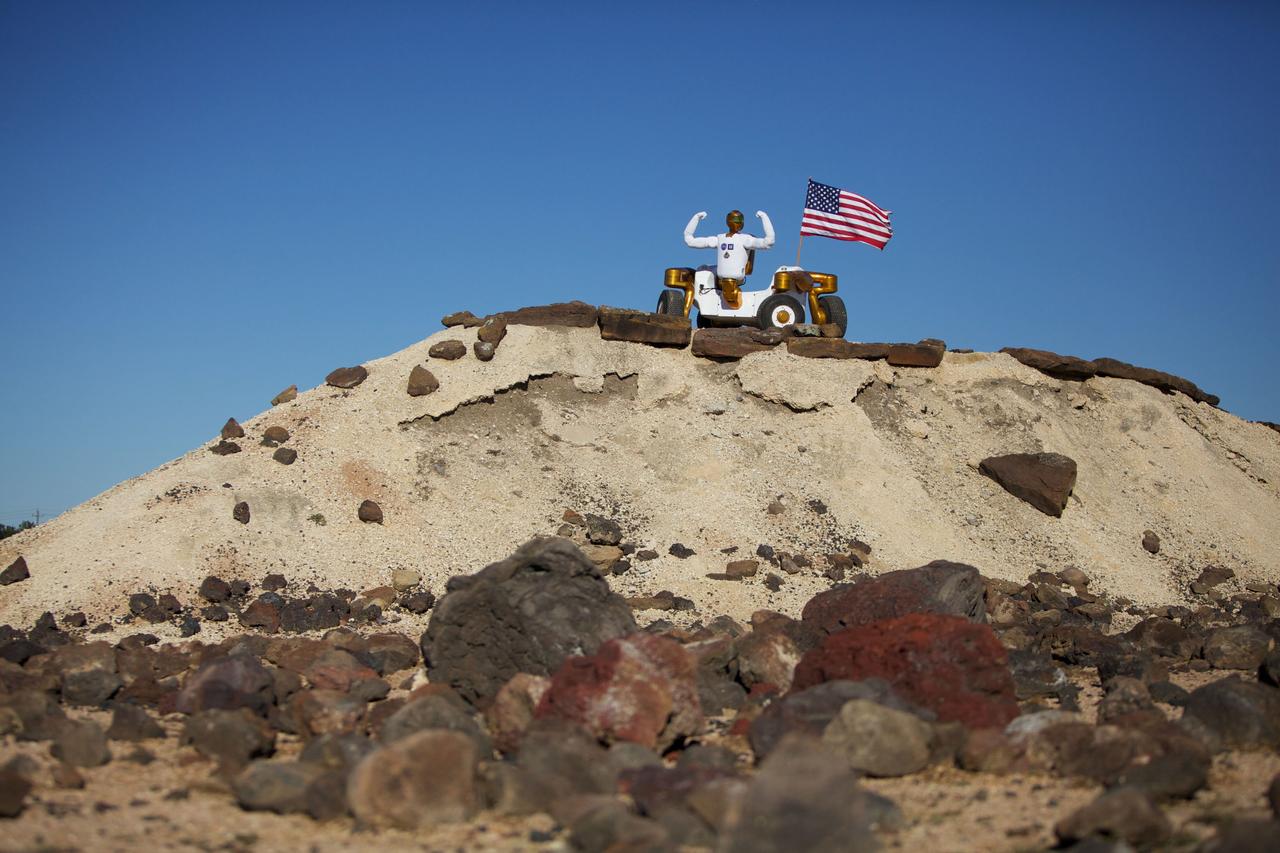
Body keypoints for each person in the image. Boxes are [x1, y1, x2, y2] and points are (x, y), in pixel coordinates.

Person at [683, 209, 775, 308]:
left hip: (733, 278)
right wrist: (764, 217)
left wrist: (696, 218)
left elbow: (768, 242)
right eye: (736, 221)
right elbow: (690, 241)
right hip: (724, 278)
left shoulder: (744, 239)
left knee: (703, 269)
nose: (737, 224)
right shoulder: (722, 238)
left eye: (739, 221)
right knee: (702, 269)